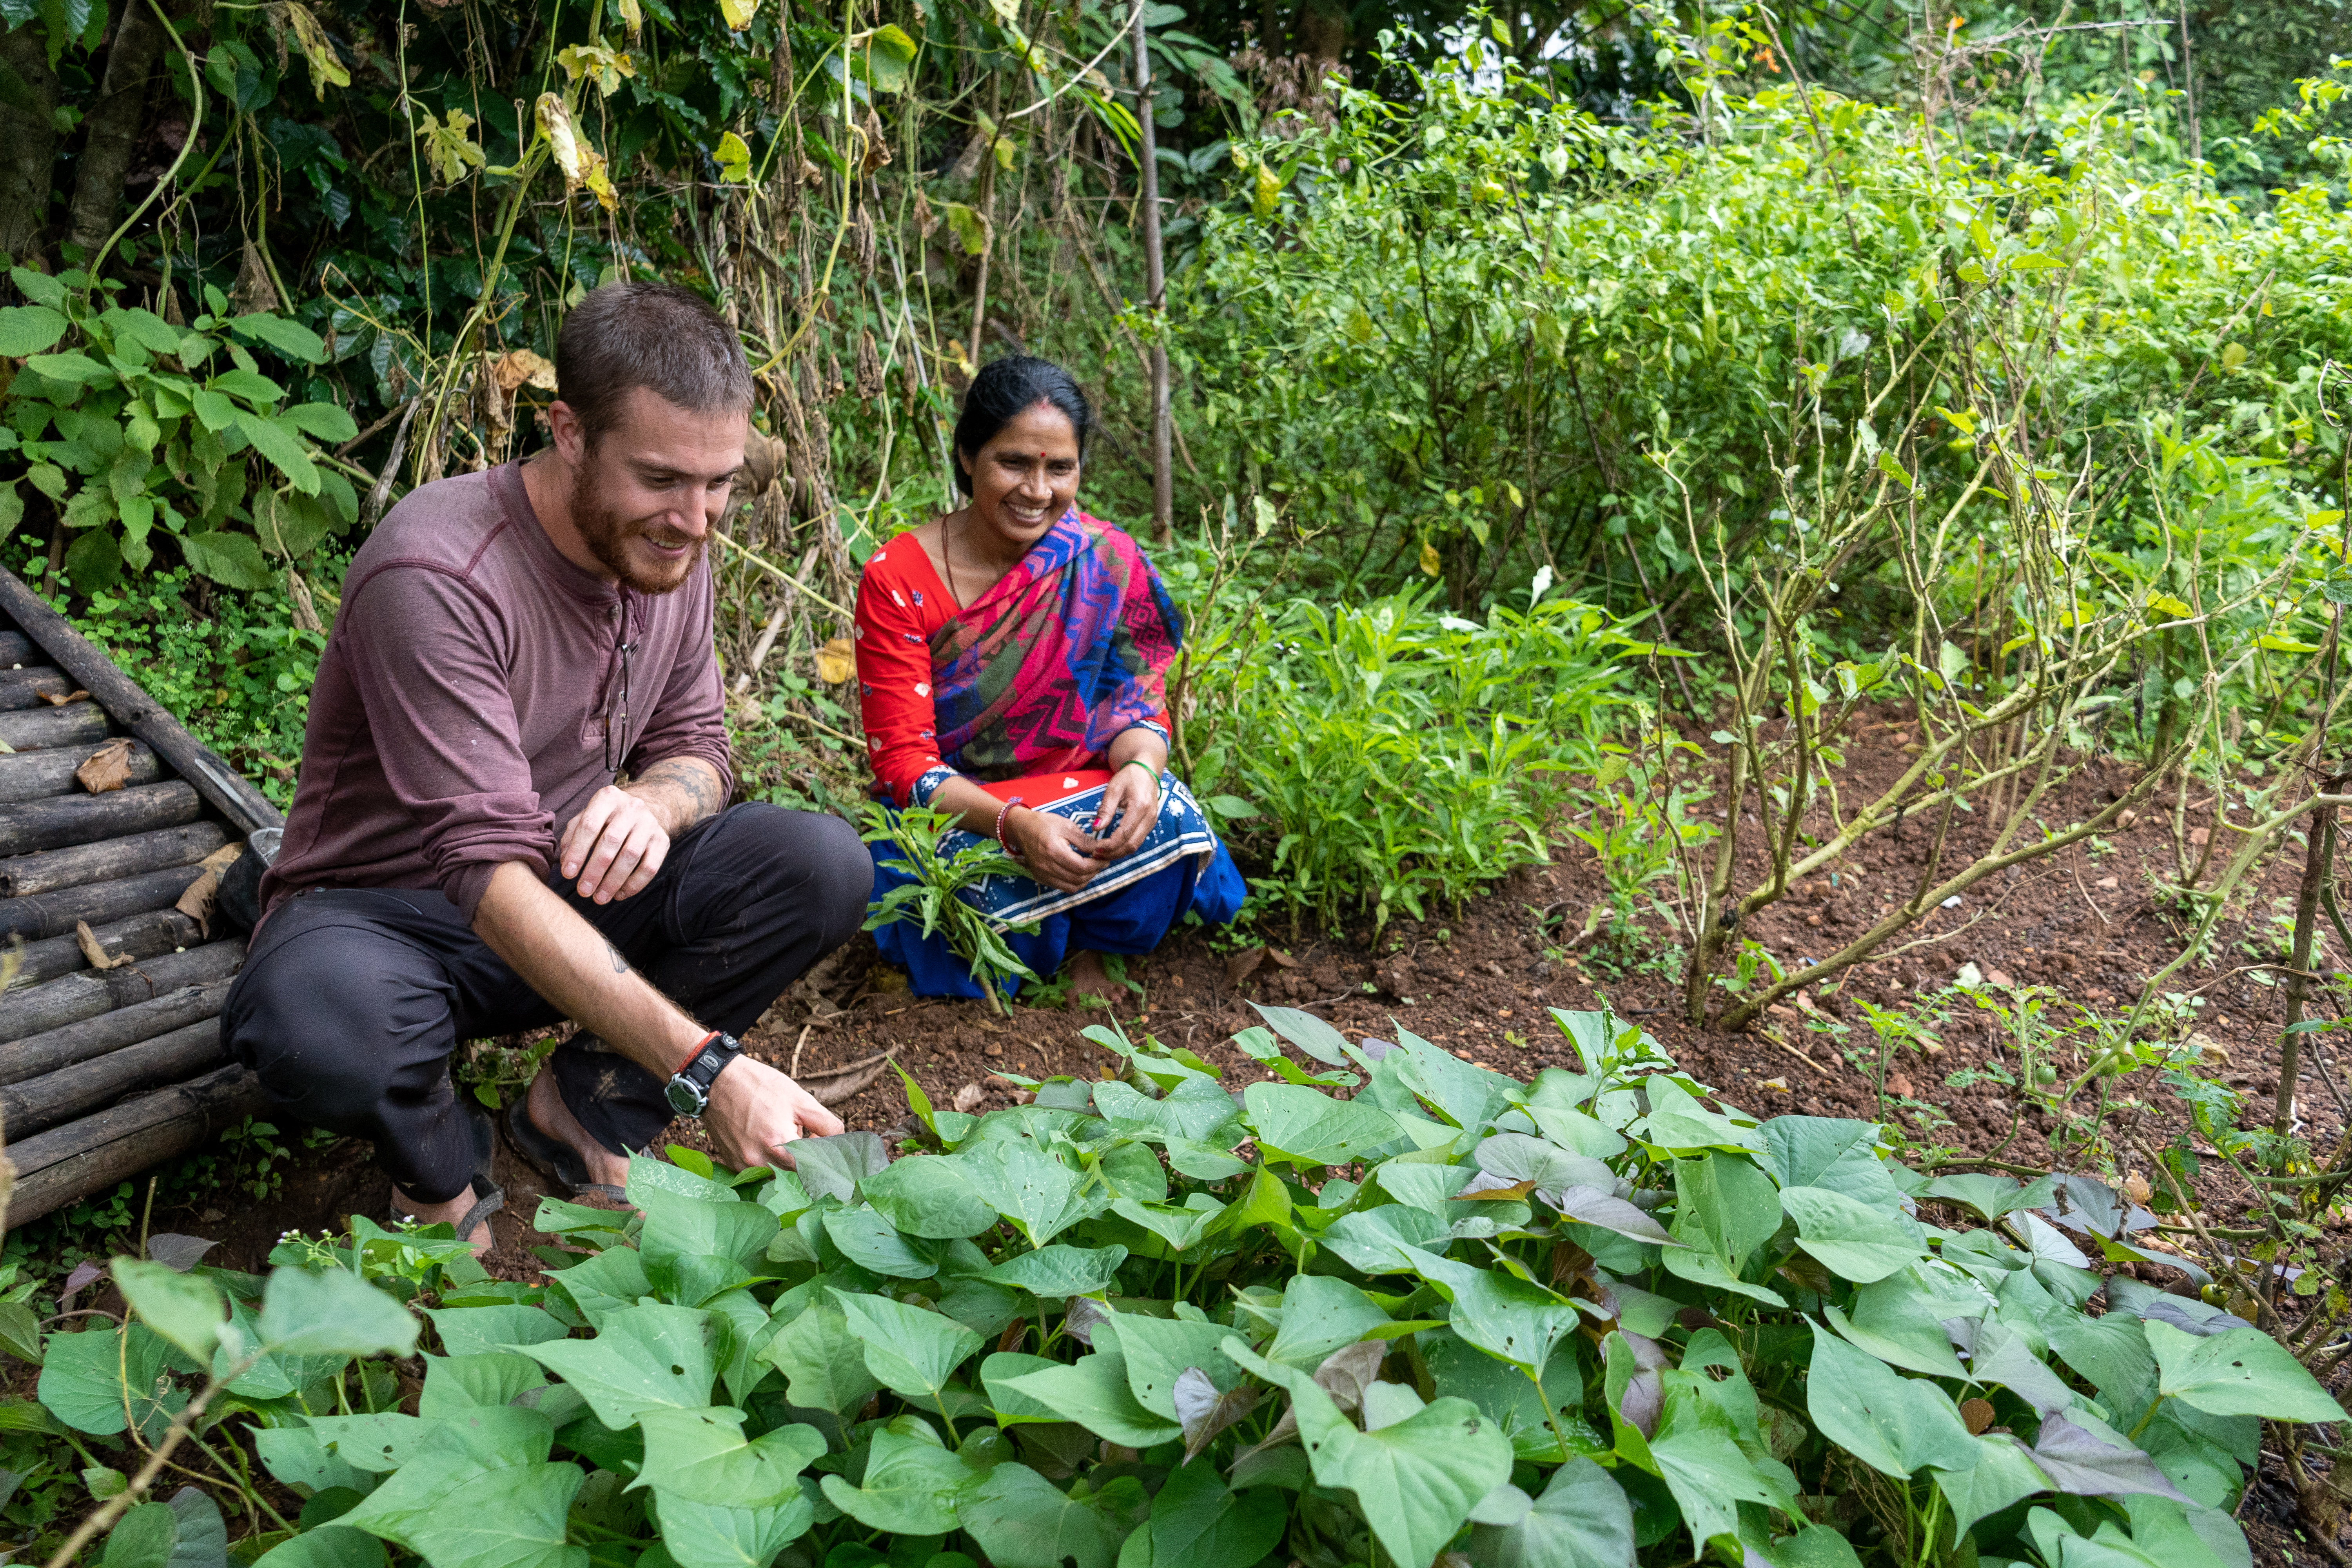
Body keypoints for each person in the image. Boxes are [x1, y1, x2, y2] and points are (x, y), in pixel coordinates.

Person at [223, 281, 869, 1252]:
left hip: (561, 890)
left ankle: (587, 1105)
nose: (695, 520)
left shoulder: (669, 546)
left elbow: (701, 746)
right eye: (661, 479)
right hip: (397, 917)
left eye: (718, 482)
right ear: (567, 431)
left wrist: (655, 800)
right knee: (321, 1027)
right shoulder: (439, 574)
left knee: (819, 863)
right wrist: (710, 1068)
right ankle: (435, 1166)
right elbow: (481, 872)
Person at [855, 355, 1245, 1002]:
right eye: (1014, 462)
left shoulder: (1106, 558)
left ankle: (1091, 945)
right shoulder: (899, 576)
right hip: (960, 812)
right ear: (968, 457)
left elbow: (1134, 703)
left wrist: (1142, 770)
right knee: (928, 899)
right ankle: (1041, 940)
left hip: (1075, 796)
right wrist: (1013, 826)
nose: (1037, 490)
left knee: (1167, 814)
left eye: (1059, 468)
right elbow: (904, 763)